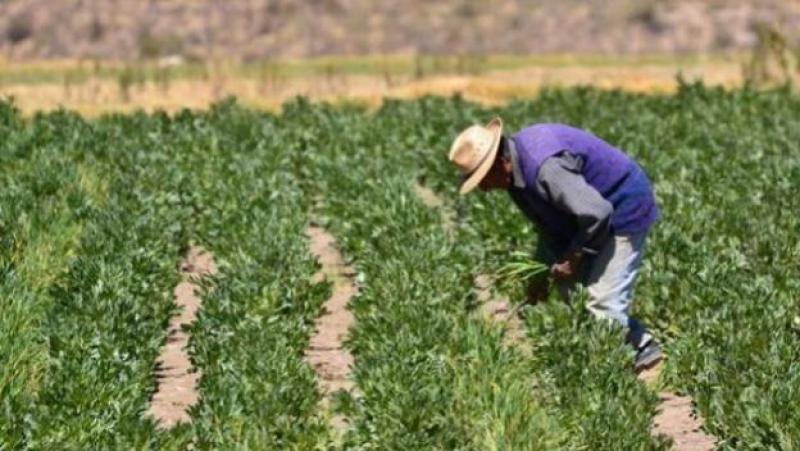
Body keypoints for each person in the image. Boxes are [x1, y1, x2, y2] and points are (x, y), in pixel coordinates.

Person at [448, 118, 662, 371]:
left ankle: (610, 377)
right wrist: (540, 275)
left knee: (603, 304)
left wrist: (574, 257)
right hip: (589, 216)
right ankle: (640, 344)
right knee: (571, 289)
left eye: (482, 179)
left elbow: (597, 213)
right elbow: (549, 228)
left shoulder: (544, 169)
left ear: (499, 163)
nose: (483, 189)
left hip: (622, 207)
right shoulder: (515, 178)